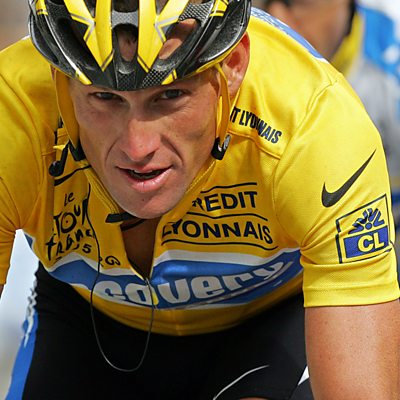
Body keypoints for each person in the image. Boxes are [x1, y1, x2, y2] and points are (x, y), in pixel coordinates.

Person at [0, 1, 398, 399]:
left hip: (266, 325)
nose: (138, 146)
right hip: (88, 323)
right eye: (105, 97)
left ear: (233, 65)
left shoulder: (313, 125)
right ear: (60, 79)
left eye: (170, 95)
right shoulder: (13, 114)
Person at [254, 0, 400, 268]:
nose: (276, 19)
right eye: (261, 3)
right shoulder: (229, 70)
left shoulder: (391, 68)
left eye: (297, 4)